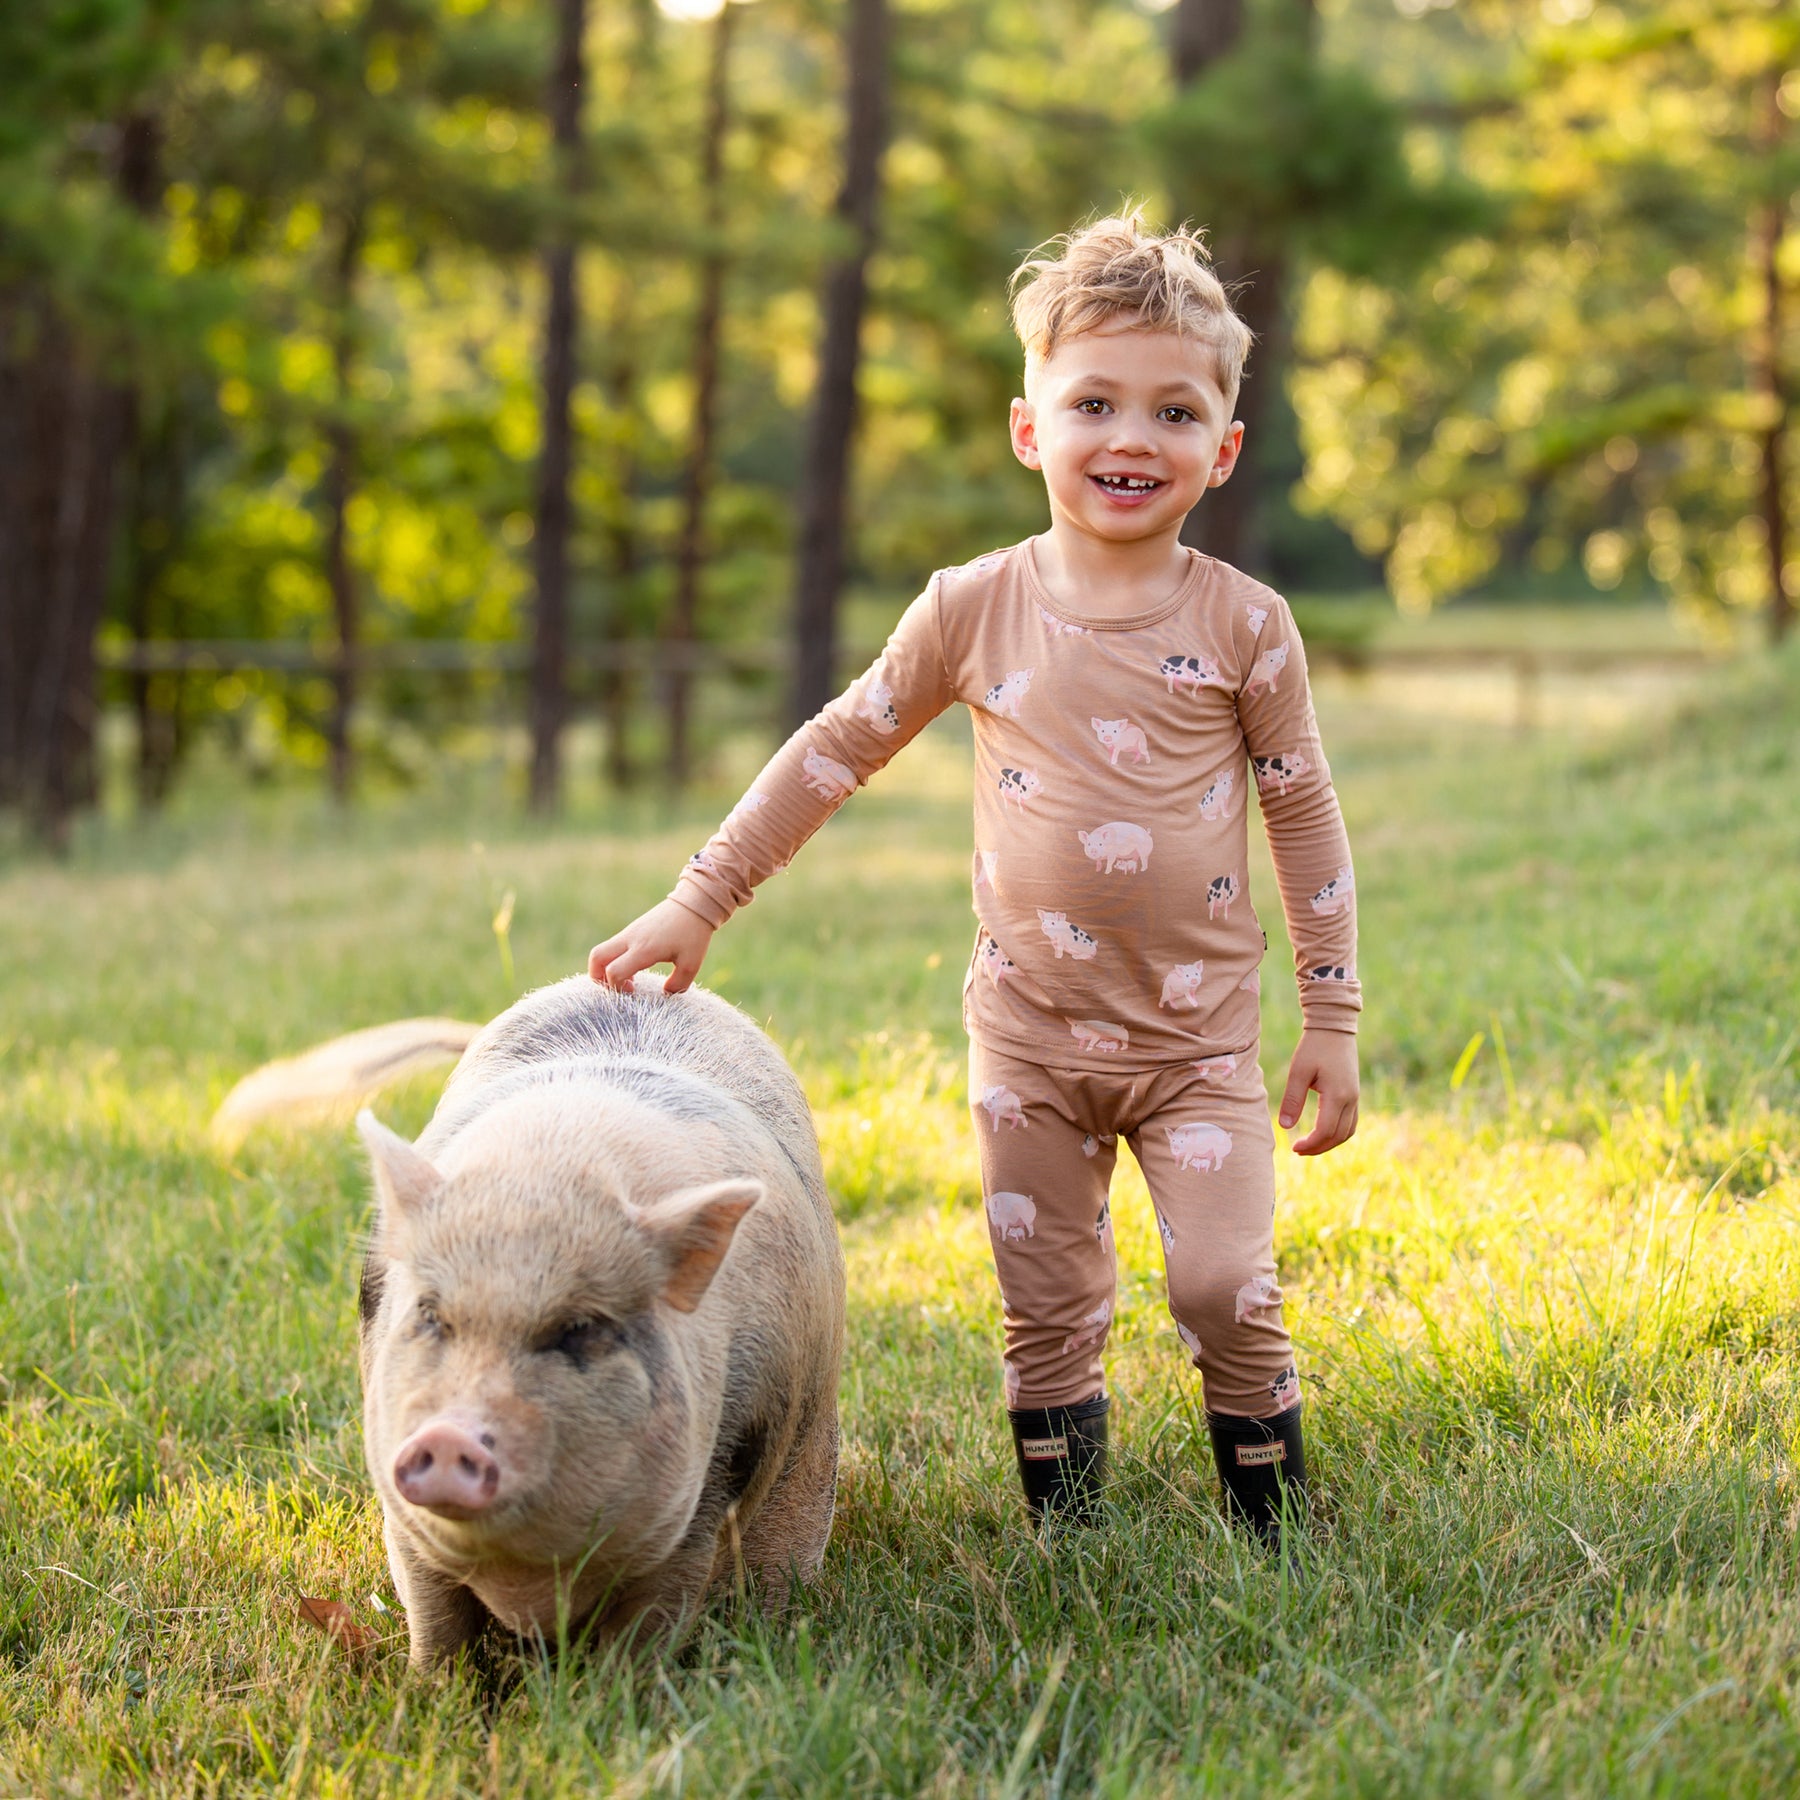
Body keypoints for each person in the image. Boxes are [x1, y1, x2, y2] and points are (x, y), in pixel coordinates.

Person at [590, 211, 1360, 1544]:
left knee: (1226, 1283)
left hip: (1198, 1045)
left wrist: (1333, 1017)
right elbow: (835, 749)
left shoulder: (1247, 625)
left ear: (1222, 449)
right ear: (1029, 429)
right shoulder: (971, 606)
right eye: (1095, 403)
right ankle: (1071, 1532)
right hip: (1031, 1038)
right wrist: (699, 896)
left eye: (1175, 412)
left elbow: (1303, 816)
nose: (1132, 437)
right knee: (1046, 1298)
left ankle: (1276, 1529)